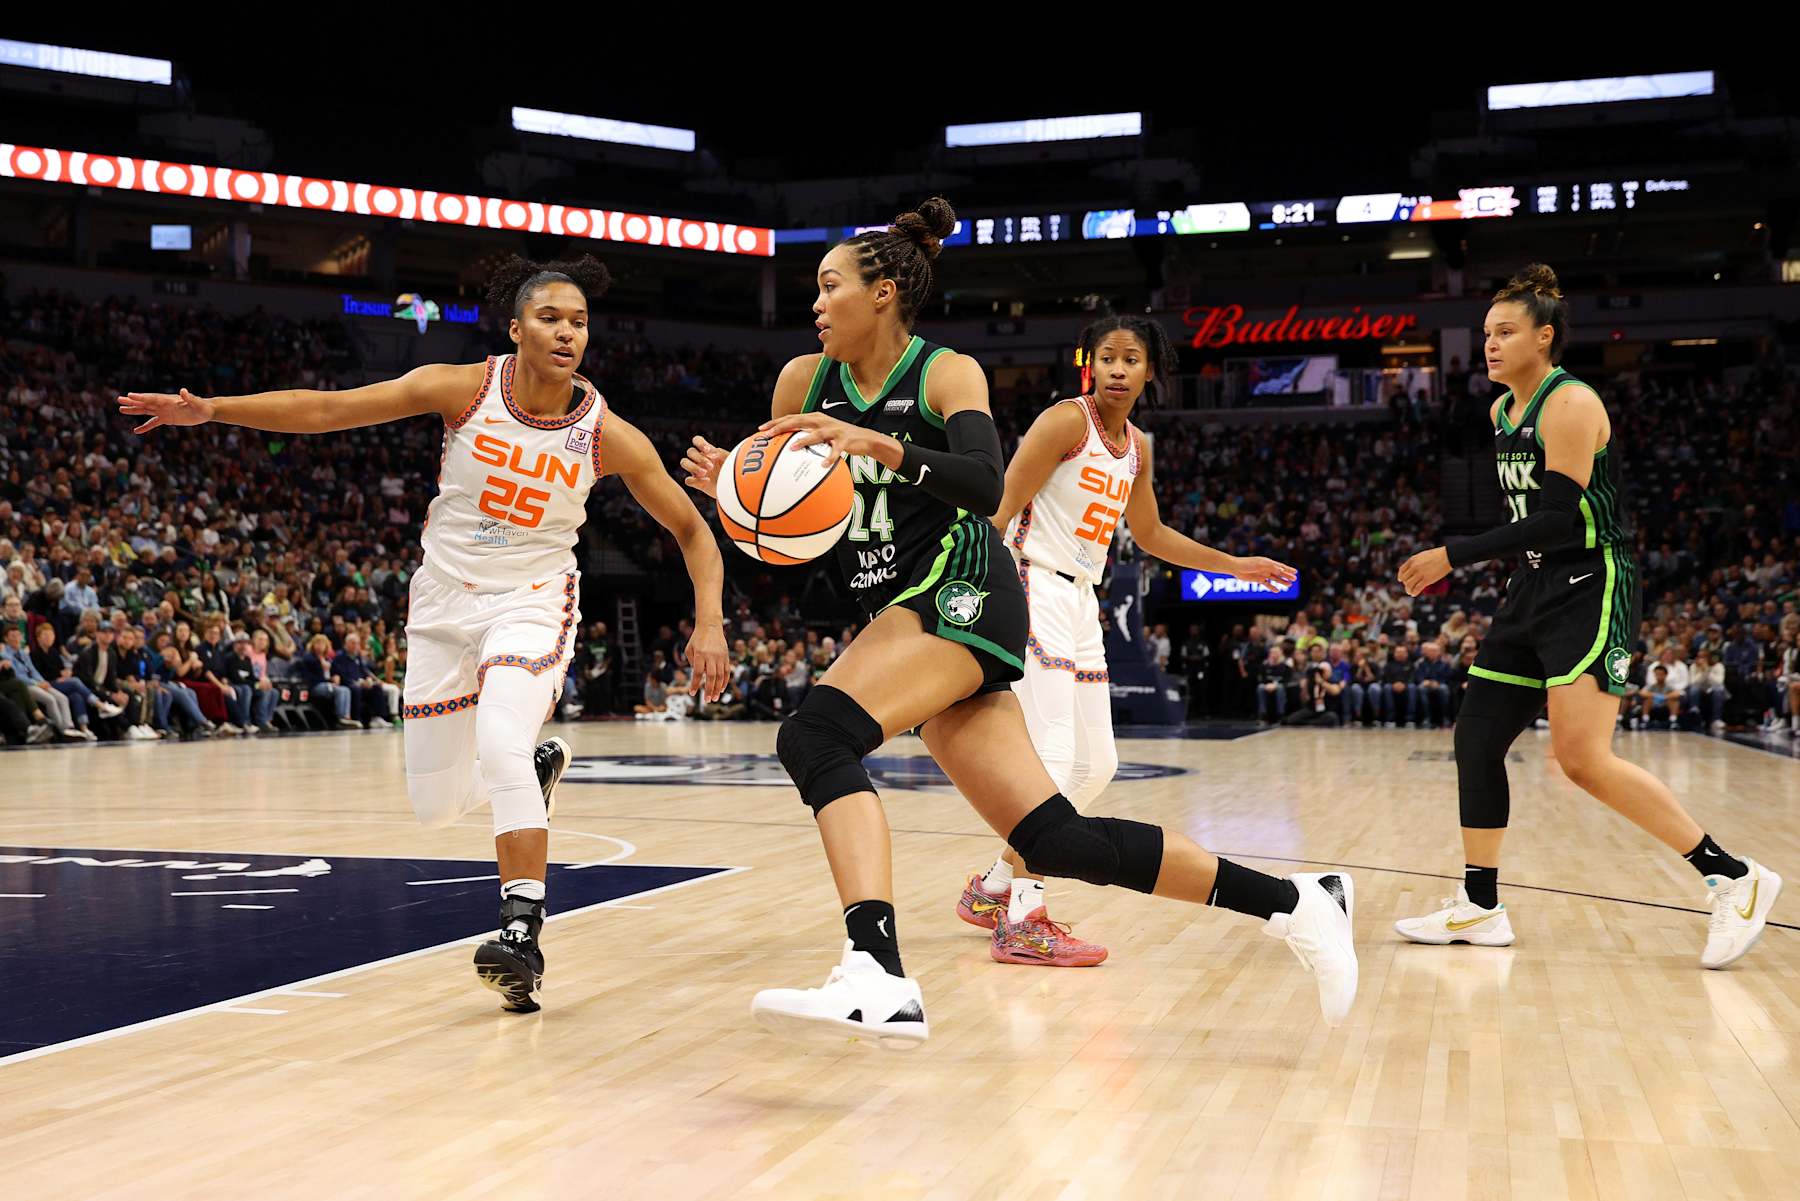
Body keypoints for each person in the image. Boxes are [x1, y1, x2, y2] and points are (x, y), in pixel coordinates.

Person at [683, 199, 1356, 1045]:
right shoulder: (798, 383)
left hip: (961, 584)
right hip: (895, 599)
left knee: (814, 737)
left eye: (829, 286)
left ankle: (877, 971)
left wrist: (882, 445)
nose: (814, 304)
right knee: (1055, 835)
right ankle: (1296, 903)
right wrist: (737, 500)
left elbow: (983, 486)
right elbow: (790, 515)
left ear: (883, 292)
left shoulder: (945, 372)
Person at [119, 252, 729, 1014]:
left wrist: (710, 621)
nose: (567, 331)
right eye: (550, 317)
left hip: (533, 598)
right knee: (436, 806)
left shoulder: (608, 434)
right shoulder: (463, 387)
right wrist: (213, 408)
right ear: (516, 327)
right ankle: (534, 770)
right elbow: (328, 408)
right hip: (442, 602)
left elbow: (692, 532)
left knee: (500, 741)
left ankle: (520, 932)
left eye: (578, 321)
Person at [1396, 263, 1780, 966]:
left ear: (1545, 338)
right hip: (1533, 586)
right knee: (1476, 737)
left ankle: (1735, 875)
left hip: (1592, 581)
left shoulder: (1569, 403)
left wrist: (1455, 554)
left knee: (1581, 759)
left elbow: (1550, 520)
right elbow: (1528, 530)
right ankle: (1480, 905)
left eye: (1505, 331)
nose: (1490, 343)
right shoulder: (1499, 410)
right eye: (1486, 332)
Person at [952, 315, 1295, 963]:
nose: (1116, 368)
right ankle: (1024, 913)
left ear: (1148, 371)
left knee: (1096, 765)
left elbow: (1153, 535)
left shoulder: (1140, 445)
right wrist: (974, 591)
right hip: (1030, 584)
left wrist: (1237, 565)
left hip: (1082, 598)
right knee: (1050, 753)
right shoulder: (1064, 420)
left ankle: (994, 884)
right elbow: (999, 506)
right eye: (1106, 356)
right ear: (1091, 364)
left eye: (1130, 359)